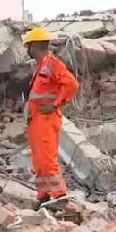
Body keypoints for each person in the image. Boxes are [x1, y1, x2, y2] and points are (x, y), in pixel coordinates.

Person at [22, 27, 80, 202]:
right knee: (39, 160)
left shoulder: (53, 64)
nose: (27, 50)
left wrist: (55, 104)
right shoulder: (41, 66)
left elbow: (72, 85)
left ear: (35, 46)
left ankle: (59, 196)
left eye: (28, 46)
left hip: (47, 119)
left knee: (47, 158)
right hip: (37, 120)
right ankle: (45, 195)